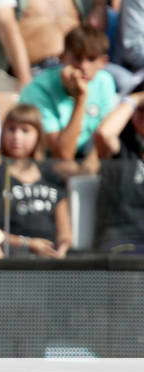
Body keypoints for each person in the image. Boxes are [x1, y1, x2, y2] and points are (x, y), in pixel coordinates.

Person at [0, 104, 71, 258]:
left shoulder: (53, 176)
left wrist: (62, 249)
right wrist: (28, 243)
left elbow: (65, 231)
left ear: (38, 135)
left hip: (51, 256)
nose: (17, 137)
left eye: (25, 130)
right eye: (11, 129)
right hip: (13, 256)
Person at [19, 25, 117, 163]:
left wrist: (89, 166)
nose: (83, 66)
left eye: (91, 59)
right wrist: (80, 99)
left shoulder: (105, 81)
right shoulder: (38, 89)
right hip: (48, 164)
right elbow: (63, 154)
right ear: (62, 57)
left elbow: (106, 137)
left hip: (91, 161)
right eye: (77, 58)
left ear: (103, 62)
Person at [93, 80, 144, 251]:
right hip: (123, 242)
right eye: (139, 111)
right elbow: (103, 134)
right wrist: (134, 99)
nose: (141, 117)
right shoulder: (122, 151)